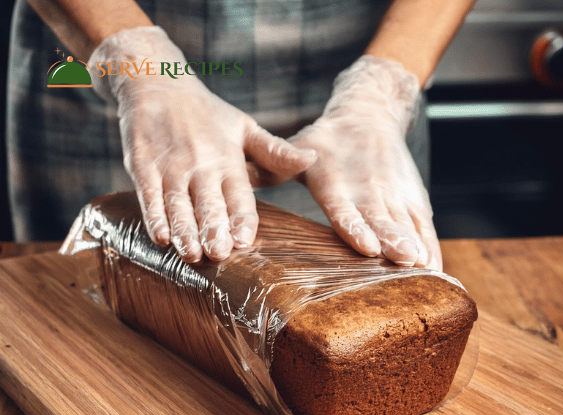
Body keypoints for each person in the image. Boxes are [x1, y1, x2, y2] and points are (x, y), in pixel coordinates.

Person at [8, 0, 476, 270]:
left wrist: (383, 89)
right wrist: (136, 60)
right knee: (89, 321)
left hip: (367, 82)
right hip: (105, 51)